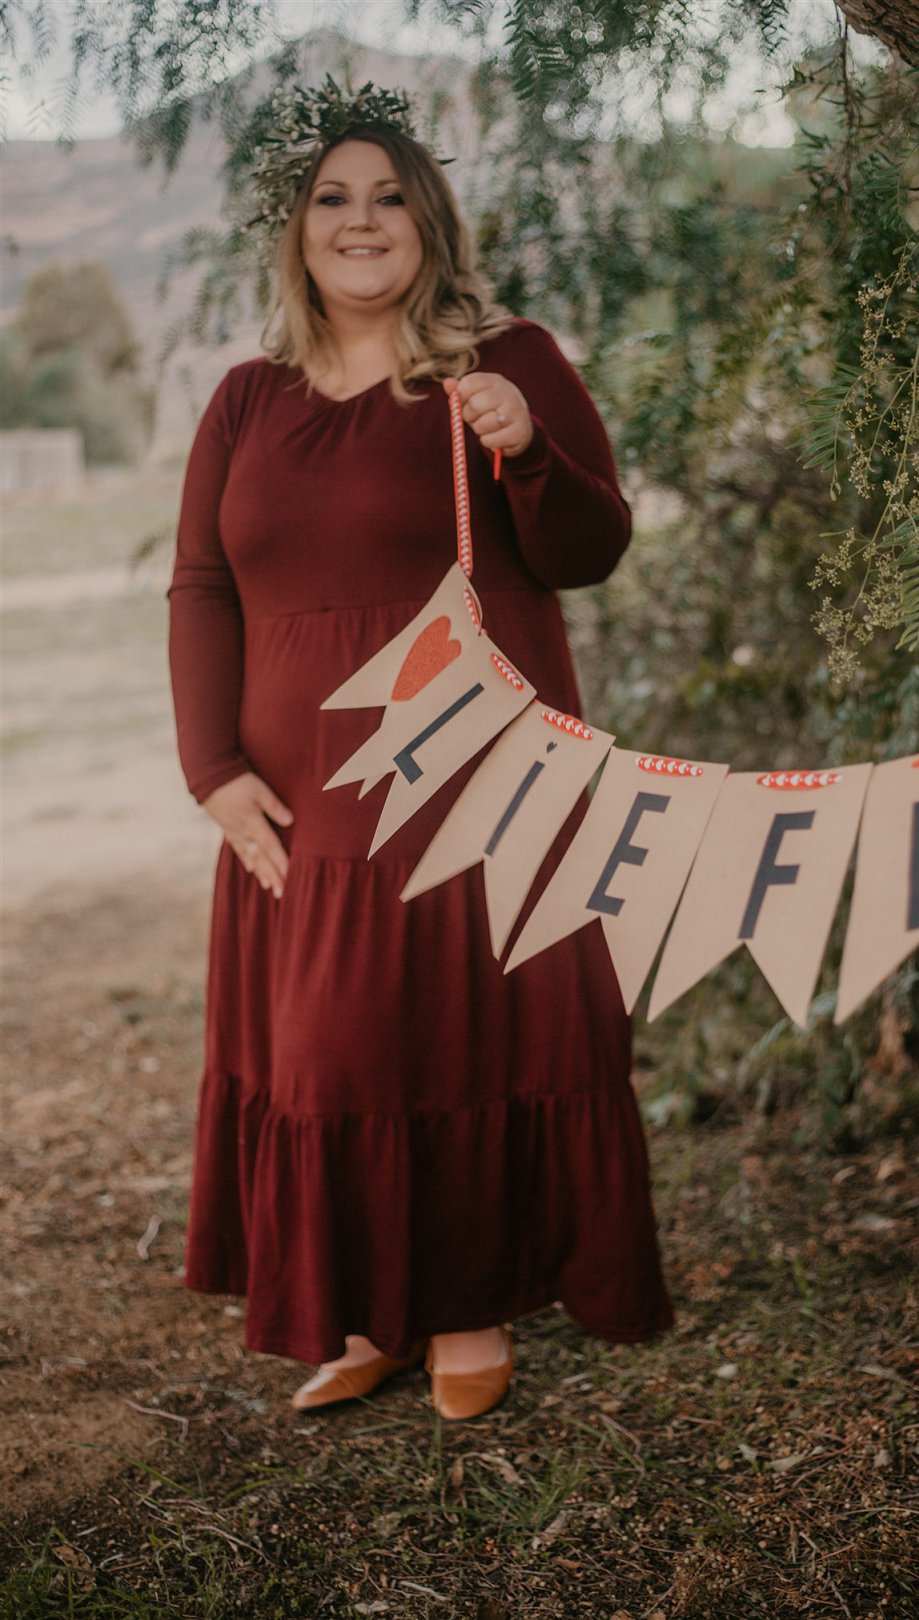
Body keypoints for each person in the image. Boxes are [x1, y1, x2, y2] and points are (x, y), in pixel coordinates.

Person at [167, 78, 674, 1422]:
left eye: (390, 194)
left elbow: (591, 553)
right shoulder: (244, 401)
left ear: (429, 221)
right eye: (333, 197)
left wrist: (529, 459)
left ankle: (466, 1305)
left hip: (472, 784)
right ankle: (370, 1311)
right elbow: (202, 589)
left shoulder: (505, 361)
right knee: (335, 1050)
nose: (362, 218)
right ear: (296, 231)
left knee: (456, 1039)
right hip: (299, 805)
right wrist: (210, 769)